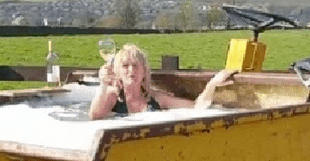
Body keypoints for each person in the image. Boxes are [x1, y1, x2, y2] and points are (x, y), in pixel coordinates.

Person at [89, 44, 236, 120]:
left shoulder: (155, 99)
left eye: (135, 65)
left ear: (143, 72)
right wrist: (103, 85)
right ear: (117, 71)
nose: (131, 70)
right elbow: (95, 116)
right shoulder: (113, 96)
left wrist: (212, 85)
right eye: (125, 66)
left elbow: (196, 107)